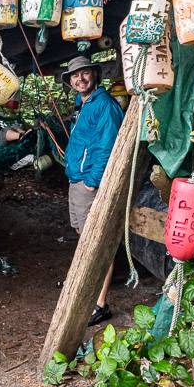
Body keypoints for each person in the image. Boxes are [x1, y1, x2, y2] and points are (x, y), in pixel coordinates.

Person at [61, 55, 124, 326]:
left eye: (84, 73)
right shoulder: (83, 105)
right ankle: (85, 285)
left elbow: (106, 146)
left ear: (94, 75)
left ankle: (99, 302)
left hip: (88, 183)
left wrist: (92, 180)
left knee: (96, 240)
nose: (80, 79)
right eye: (75, 76)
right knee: (82, 235)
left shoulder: (105, 106)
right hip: (76, 182)